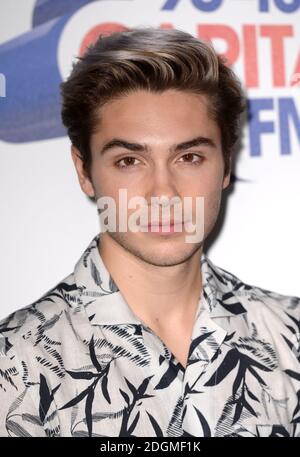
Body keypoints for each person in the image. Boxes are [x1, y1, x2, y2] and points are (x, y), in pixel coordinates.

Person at [0, 27, 299, 438]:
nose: (163, 193)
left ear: (226, 166)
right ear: (84, 170)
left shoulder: (292, 337)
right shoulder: (14, 363)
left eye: (189, 156)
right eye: (129, 161)